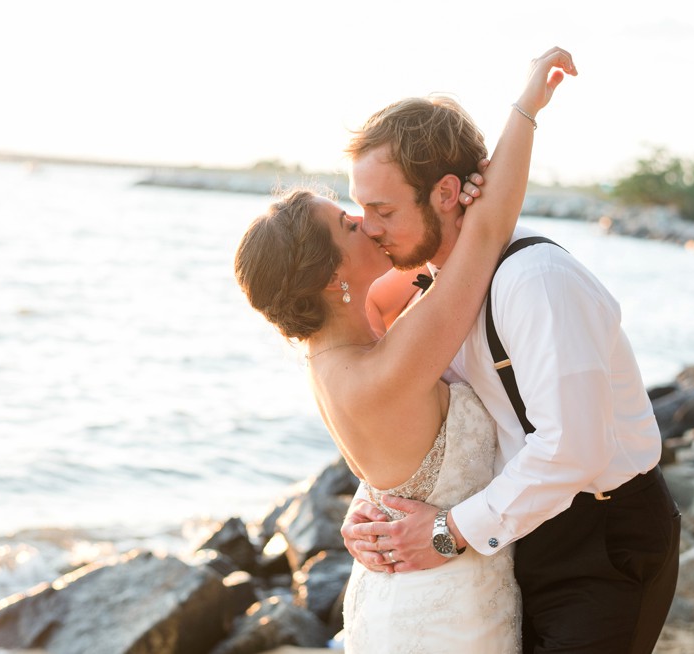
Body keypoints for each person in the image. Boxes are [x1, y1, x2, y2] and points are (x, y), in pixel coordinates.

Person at [235, 48, 576, 652]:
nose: (366, 224)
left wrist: (452, 195)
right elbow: (488, 233)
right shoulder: (387, 365)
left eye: (366, 212)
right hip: (442, 615)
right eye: (348, 224)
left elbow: (444, 251)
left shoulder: (337, 345)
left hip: (419, 593)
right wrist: (526, 108)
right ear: (329, 277)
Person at [342, 51, 680, 654]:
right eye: (361, 209)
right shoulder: (437, 290)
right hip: (518, 535)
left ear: (447, 193)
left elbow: (573, 448)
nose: (368, 227)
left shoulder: (536, 280)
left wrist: (449, 533)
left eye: (383, 210)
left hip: (602, 542)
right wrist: (370, 507)